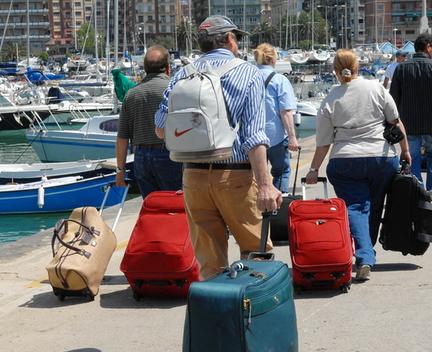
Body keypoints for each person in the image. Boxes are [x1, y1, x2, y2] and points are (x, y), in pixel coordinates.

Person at [154, 15, 281, 279]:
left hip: (194, 177)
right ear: (229, 39)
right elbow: (255, 136)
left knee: (210, 265)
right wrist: (266, 184)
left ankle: (218, 316)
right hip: (236, 176)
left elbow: (160, 128)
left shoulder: (182, 75)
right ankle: (252, 315)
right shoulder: (247, 73)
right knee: (256, 256)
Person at [304, 49, 412, 281]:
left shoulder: (331, 98)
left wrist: (314, 170)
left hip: (345, 161)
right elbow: (395, 121)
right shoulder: (376, 88)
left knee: (355, 207)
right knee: (373, 205)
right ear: (358, 66)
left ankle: (365, 256)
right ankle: (367, 254)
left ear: (335, 70)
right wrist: (405, 150)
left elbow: (323, 142)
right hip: (381, 158)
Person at [390, 33, 432, 204]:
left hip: (408, 123)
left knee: (413, 157)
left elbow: (393, 98)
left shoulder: (401, 68)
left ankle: (417, 190)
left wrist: (394, 122)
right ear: (428, 47)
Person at [116, 46, 182, 197]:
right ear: (168, 68)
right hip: (170, 155)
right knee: (175, 205)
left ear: (145, 68)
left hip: (141, 158)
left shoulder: (131, 95)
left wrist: (120, 171)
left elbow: (122, 137)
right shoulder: (176, 90)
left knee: (151, 205)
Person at [254, 43, 299, 192]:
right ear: (273, 60)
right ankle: (277, 209)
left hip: (252, 136)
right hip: (275, 136)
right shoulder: (279, 80)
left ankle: (256, 208)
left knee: (255, 176)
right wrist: (292, 137)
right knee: (281, 172)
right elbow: (285, 111)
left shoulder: (248, 78)